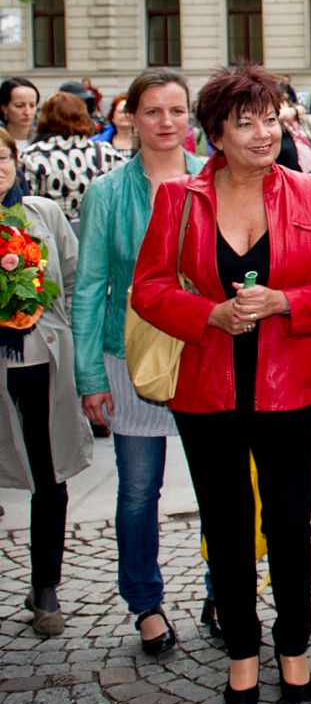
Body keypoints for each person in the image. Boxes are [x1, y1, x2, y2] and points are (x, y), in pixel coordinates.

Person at [130, 63, 311, 704]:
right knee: (226, 527)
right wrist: (209, 314)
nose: (264, 132)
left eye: (273, 117)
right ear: (216, 135)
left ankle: (293, 648)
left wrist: (285, 300)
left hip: (288, 391)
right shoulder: (178, 199)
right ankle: (240, 652)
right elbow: (149, 288)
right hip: (208, 393)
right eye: (246, 121)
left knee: (289, 523)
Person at [73, 70, 207, 654]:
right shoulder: (107, 192)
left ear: (191, 117)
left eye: (176, 110)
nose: (166, 122)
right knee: (138, 489)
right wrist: (89, 374)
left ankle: (221, 590)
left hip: (206, 349)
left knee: (219, 485)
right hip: (130, 354)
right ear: (131, 116)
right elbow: (89, 287)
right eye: (153, 111)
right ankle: (145, 603)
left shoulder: (213, 178)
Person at [0, 129, 87, 637]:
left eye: (4, 156)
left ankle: (45, 584)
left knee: (49, 473)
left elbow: (73, 280)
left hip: (42, 360)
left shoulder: (42, 213)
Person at [20, 92, 127, 224]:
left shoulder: (32, 157)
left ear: (46, 118)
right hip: (98, 233)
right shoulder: (106, 152)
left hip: (52, 236)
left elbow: (25, 205)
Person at [2, 78, 39, 147]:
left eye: (32, 105)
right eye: (19, 106)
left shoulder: (47, 139)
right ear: (4, 108)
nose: (27, 112)